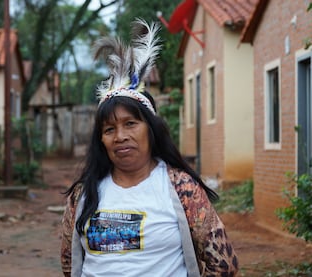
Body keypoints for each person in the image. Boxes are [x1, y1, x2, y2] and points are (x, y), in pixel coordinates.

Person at [61, 19, 238, 277]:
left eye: (130, 124)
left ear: (150, 129)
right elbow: (69, 261)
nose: (120, 136)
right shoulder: (82, 194)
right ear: (101, 139)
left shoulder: (182, 189)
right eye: (109, 129)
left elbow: (223, 266)